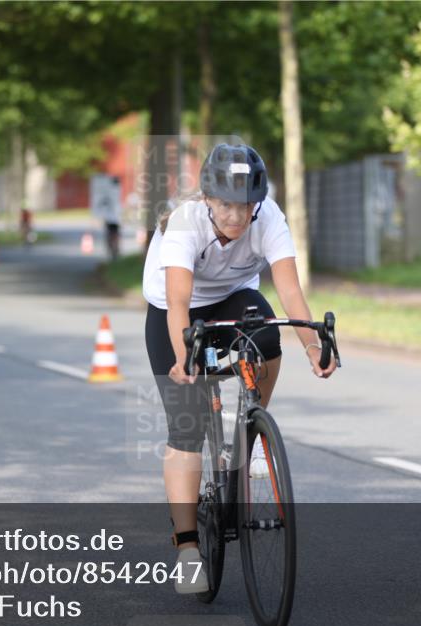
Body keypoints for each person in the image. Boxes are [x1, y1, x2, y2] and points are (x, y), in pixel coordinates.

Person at [141, 143, 337, 594]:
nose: (236, 215)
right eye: (226, 205)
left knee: (268, 334)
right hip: (175, 308)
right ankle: (188, 549)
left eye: (246, 205)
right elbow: (177, 306)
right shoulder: (184, 223)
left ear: (259, 201)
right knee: (186, 426)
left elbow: (289, 292)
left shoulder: (268, 217)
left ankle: (249, 432)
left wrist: (312, 347)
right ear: (207, 198)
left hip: (234, 296)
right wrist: (185, 359)